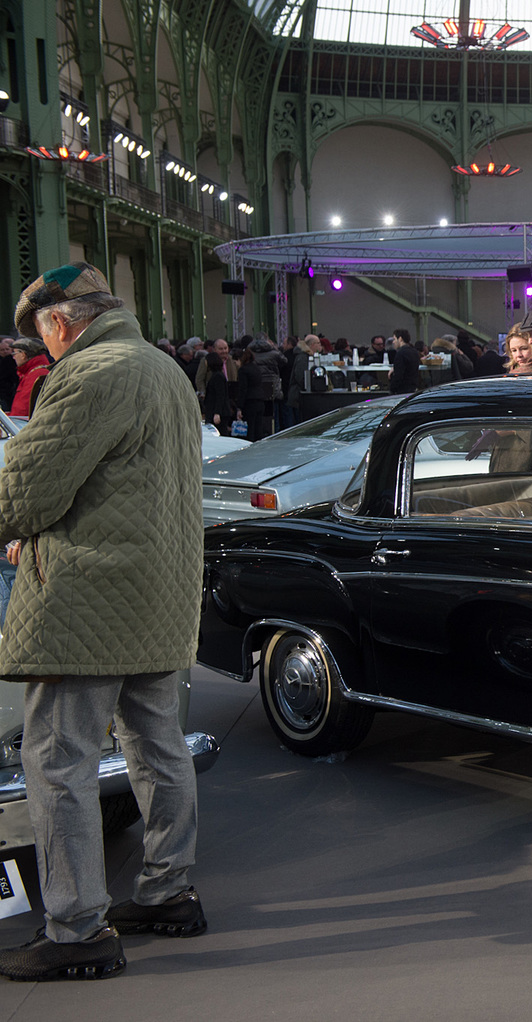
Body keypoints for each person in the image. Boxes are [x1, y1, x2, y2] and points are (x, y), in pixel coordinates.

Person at [0, 262, 206, 983]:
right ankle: (168, 892)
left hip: (89, 597)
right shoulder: (161, 367)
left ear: (60, 322)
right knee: (157, 746)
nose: (42, 352)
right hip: (157, 591)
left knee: (57, 760)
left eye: (42, 337)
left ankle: (78, 928)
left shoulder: (90, 373)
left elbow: (28, 486)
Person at [9, 338, 51, 416]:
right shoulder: (37, 372)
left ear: (23, 355)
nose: (13, 357)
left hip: (22, 425)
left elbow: (22, 410)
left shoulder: (35, 375)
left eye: (14, 354)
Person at [202, 349, 234, 434]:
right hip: (218, 410)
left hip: (217, 411)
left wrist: (217, 413)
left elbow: (220, 395)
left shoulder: (217, 377)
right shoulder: (218, 375)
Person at [388, 328, 420, 394]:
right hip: (412, 388)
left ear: (400, 339)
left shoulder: (400, 353)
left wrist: (392, 388)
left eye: (394, 339)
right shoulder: (414, 352)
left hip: (402, 390)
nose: (393, 342)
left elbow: (398, 375)